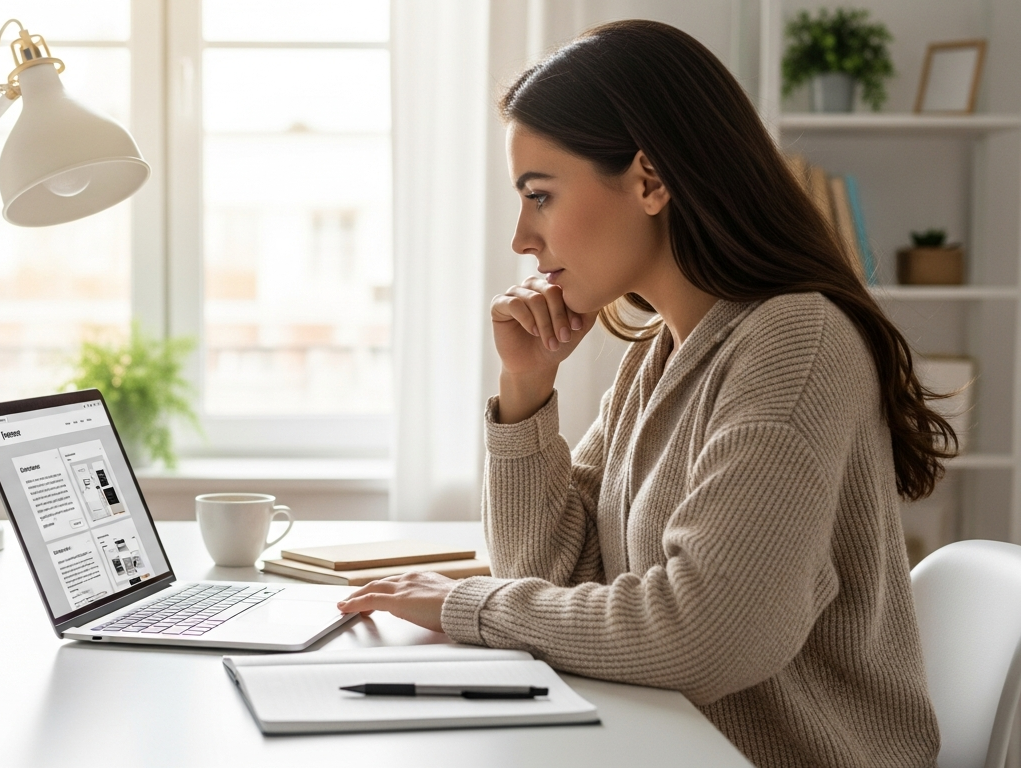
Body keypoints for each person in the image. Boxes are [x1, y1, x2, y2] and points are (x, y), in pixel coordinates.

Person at [336, 19, 949, 768]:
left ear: (650, 181)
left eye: (540, 195)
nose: (522, 237)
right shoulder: (661, 355)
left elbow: (708, 635)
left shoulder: (795, 343)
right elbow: (545, 575)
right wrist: (525, 389)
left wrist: (466, 605)